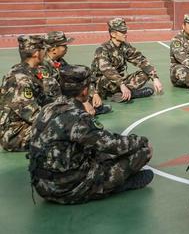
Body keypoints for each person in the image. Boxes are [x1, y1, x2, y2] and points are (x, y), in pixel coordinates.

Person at [28, 65, 153, 203]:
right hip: (68, 190)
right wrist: (140, 140)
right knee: (143, 151)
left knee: (98, 153)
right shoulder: (77, 117)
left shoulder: (47, 109)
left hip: (42, 186)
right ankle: (112, 187)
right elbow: (111, 144)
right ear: (85, 90)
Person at [91, 17, 163, 102]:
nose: (125, 34)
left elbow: (141, 60)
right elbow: (107, 70)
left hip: (119, 81)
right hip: (103, 83)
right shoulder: (102, 49)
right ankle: (129, 94)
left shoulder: (125, 46)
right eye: (122, 32)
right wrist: (121, 84)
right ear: (113, 34)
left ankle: (122, 95)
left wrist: (154, 78)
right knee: (106, 78)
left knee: (144, 74)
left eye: (126, 31)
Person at [39, 31, 111, 115]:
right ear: (54, 49)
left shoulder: (59, 61)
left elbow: (74, 79)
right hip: (51, 100)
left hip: (63, 96)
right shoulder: (42, 66)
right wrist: (81, 102)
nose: (66, 48)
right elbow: (51, 94)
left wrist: (93, 93)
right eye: (64, 45)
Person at [0, 35, 45, 151]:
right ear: (36, 53)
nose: (45, 52)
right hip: (13, 135)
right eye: (42, 49)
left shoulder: (25, 70)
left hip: (21, 125)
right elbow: (33, 115)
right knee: (61, 131)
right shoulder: (20, 79)